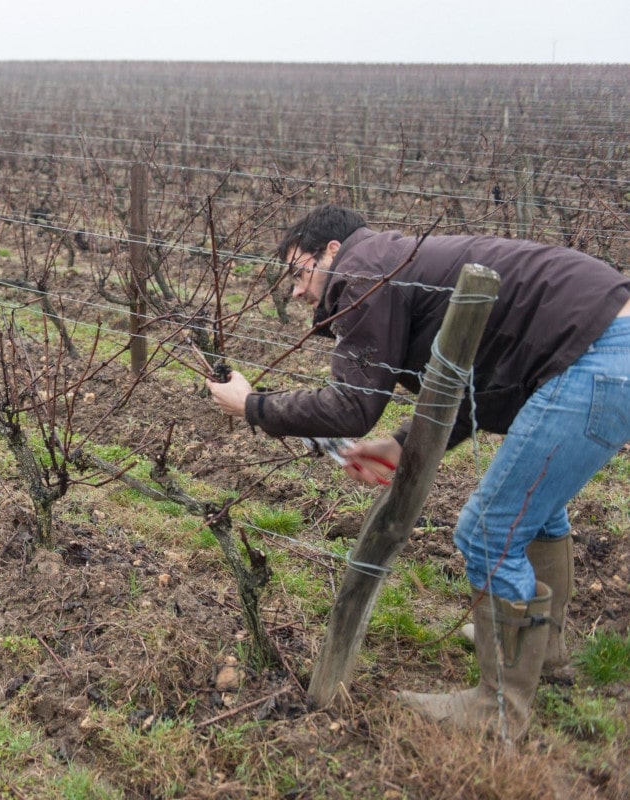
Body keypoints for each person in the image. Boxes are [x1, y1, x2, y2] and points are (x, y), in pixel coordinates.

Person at [206, 204, 630, 739]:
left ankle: (499, 709)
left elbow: (350, 405)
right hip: (608, 343)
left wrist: (253, 405)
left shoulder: (365, 272)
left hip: (596, 358)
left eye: (298, 271)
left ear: (332, 251)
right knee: (537, 514)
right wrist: (401, 446)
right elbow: (461, 377)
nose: (295, 292)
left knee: (488, 530)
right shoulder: (393, 262)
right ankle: (544, 652)